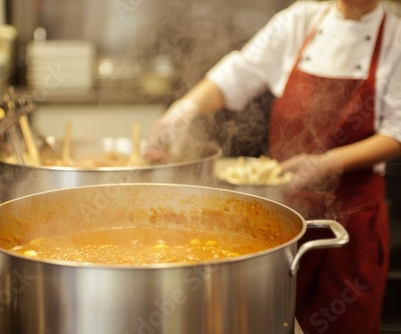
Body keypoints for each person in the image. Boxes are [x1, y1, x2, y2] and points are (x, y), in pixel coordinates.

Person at [144, 0, 401, 333]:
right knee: (273, 322)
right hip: (283, 219)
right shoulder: (299, 19)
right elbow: (238, 73)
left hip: (352, 227)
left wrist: (327, 163)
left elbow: (397, 132)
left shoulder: (395, 37)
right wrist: (182, 111)